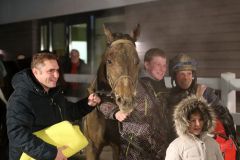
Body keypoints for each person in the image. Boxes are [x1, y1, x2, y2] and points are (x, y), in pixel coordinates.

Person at [6, 52, 101, 160]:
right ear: (36, 72)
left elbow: (69, 112)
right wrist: (51, 153)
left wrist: (88, 103)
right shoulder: (21, 98)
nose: (56, 75)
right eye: (50, 71)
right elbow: (17, 135)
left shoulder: (53, 93)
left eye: (57, 70)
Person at [99, 48, 172, 160]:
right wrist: (115, 112)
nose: (162, 69)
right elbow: (104, 101)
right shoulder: (131, 85)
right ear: (147, 65)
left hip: (159, 151)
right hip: (134, 151)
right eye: (158, 64)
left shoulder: (163, 89)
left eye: (164, 65)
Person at [168, 53, 237, 159]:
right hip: (178, 147)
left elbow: (224, 115)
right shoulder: (168, 97)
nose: (186, 78)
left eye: (189, 74)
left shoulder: (205, 93)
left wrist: (230, 136)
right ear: (174, 76)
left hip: (202, 146)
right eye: (181, 74)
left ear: (193, 75)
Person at [165, 95, 224, 160]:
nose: (198, 124)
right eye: (193, 120)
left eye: (201, 120)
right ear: (184, 122)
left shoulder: (213, 143)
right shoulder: (176, 146)